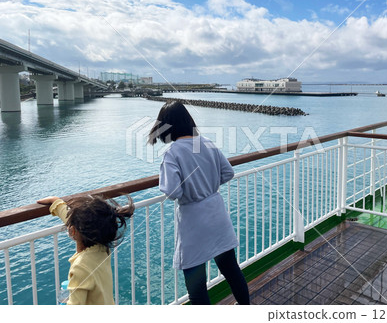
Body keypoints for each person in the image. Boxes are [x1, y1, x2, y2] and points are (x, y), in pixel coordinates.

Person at [149, 100, 250, 305]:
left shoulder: (172, 152)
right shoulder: (207, 143)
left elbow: (172, 191)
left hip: (194, 223)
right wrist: (209, 184)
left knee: (197, 288)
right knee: (232, 271)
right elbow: (228, 172)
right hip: (217, 215)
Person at [37, 195, 134, 305]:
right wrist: (56, 202)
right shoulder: (102, 248)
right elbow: (75, 221)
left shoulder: (80, 267)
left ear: (72, 231)